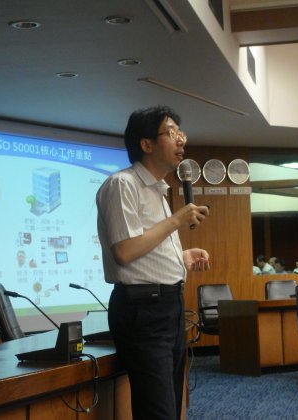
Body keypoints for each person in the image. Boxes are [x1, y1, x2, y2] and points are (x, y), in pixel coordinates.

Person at [96, 106, 211, 420]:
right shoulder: (122, 185)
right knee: (157, 412)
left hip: (170, 306)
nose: (181, 140)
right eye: (171, 133)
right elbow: (124, 251)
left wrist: (181, 258)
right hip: (143, 310)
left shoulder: (157, 190)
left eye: (180, 132)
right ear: (146, 144)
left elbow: (144, 248)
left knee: (171, 407)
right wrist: (176, 220)